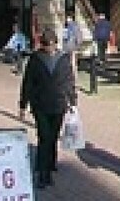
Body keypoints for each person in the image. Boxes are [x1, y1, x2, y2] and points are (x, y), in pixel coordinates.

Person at [19, 26, 77, 189]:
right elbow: (28, 83)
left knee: (53, 136)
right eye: (47, 45)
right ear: (42, 44)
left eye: (52, 45)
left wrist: (73, 101)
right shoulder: (35, 59)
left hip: (58, 104)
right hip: (40, 105)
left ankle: (50, 162)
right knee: (44, 137)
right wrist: (23, 104)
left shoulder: (63, 59)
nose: (50, 48)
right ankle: (43, 174)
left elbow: (69, 81)